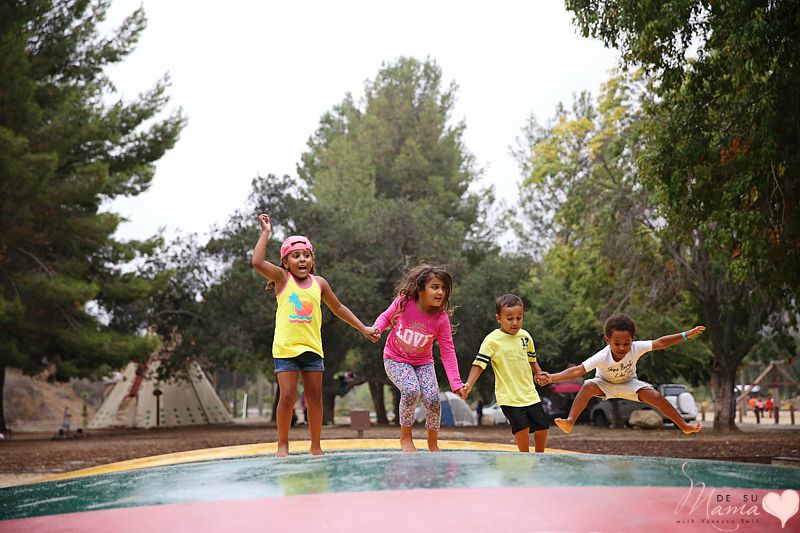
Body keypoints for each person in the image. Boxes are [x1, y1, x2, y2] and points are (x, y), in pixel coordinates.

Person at [252, 214, 379, 457]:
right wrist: (266, 233)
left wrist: (363, 328)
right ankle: (282, 444)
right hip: (286, 349)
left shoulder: (319, 283)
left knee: (315, 398)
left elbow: (339, 308)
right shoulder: (282, 279)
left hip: (312, 349)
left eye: (306, 255)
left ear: (312, 259)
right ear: (286, 262)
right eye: (296, 256)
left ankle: (316, 445)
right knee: (287, 396)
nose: (302, 259)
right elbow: (257, 262)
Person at [539, 313, 704, 435]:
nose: (622, 348)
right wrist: (552, 377)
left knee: (656, 396)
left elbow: (660, 343)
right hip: (604, 384)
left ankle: (683, 425)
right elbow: (578, 370)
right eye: (617, 344)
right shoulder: (602, 356)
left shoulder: (637, 347)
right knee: (588, 386)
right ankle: (570, 421)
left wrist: (685, 335)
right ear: (607, 340)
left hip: (629, 383)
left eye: (626, 343)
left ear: (632, 339)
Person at [372, 264, 466, 452]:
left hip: (423, 363)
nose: (440, 292)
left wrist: (456, 383)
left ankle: (433, 443)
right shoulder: (404, 302)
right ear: (421, 288)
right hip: (395, 358)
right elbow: (386, 316)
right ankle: (406, 438)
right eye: (435, 287)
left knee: (432, 398)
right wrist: (377, 329)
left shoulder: (441, 319)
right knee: (411, 390)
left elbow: (448, 352)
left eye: (444, 288)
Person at [462, 294, 550, 453]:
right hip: (508, 396)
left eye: (519, 318)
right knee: (522, 428)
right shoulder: (492, 340)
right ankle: (524, 457)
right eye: (509, 318)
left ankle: (540, 458)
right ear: (498, 318)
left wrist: (538, 372)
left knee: (542, 427)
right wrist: (469, 384)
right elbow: (479, 364)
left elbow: (532, 359)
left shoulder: (525, 337)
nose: (515, 322)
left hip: (530, 394)